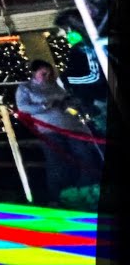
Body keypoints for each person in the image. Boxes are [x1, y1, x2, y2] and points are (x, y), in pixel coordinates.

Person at [14, 59, 103, 205]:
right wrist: (45, 105)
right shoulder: (25, 88)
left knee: (84, 154)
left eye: (49, 72)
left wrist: (71, 104)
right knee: (56, 160)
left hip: (72, 126)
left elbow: (69, 100)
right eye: (44, 73)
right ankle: (58, 194)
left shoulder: (56, 85)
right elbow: (23, 107)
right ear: (34, 73)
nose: (47, 76)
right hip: (49, 129)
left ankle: (85, 188)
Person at [55, 11, 109, 135]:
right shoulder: (80, 48)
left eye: (65, 30)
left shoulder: (86, 47)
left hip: (101, 99)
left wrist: (66, 79)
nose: (64, 35)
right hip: (96, 100)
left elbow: (95, 76)